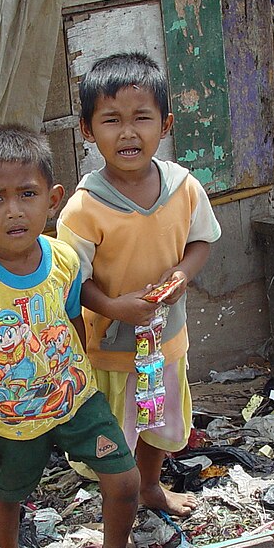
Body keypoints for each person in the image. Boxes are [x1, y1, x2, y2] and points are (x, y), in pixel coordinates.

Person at [0, 125, 151, 548]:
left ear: (52, 200)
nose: (14, 210)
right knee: (8, 494)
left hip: (77, 401)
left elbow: (73, 320)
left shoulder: (64, 260)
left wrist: (88, 379)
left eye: (27, 194)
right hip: (12, 421)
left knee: (125, 480)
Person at [58, 53, 221, 518]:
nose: (127, 133)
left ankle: (151, 486)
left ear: (165, 124)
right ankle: (120, 507)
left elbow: (201, 241)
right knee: (117, 436)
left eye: (141, 118)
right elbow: (73, 283)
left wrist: (182, 276)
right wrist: (113, 305)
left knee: (161, 424)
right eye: (111, 121)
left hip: (166, 341)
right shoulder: (84, 209)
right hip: (111, 348)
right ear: (88, 130)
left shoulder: (184, 188)